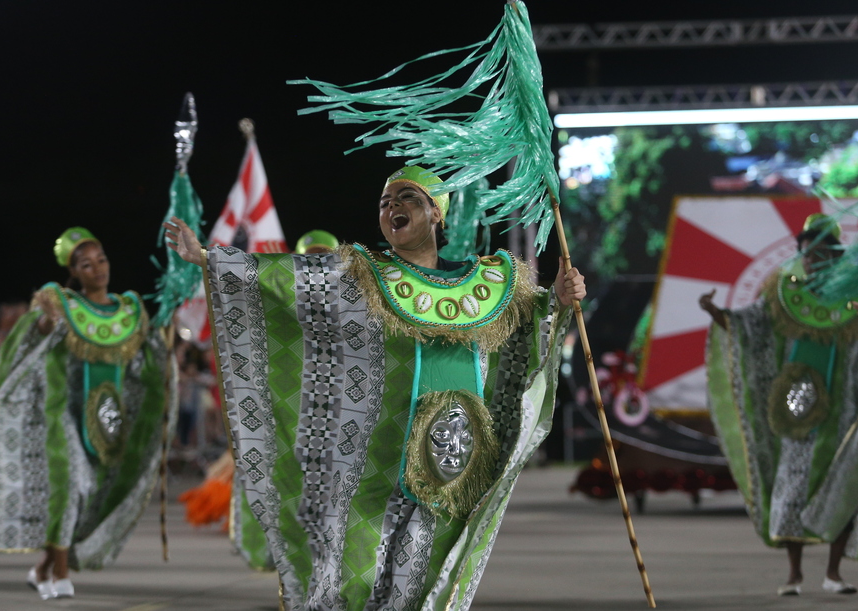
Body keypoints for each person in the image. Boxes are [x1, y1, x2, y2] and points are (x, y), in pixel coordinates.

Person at [164, 164, 586, 610]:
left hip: (454, 465)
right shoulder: (360, 279)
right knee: (351, 581)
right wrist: (210, 258)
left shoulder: (488, 285)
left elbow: (528, 326)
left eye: (407, 198)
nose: (392, 207)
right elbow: (288, 279)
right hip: (371, 463)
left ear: (437, 214)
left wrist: (558, 299)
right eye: (385, 202)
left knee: (422, 586)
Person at [0, 228, 177, 601]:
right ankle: (58, 572)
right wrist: (45, 320)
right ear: (74, 271)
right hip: (60, 415)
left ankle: (42, 567)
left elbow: (144, 362)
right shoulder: (60, 303)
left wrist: (161, 348)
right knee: (69, 485)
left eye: (101, 260)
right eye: (86, 264)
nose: (97, 269)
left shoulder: (127, 311)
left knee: (89, 494)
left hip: (108, 417)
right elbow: (33, 336)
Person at [701, 213, 858, 596]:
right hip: (796, 409)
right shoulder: (784, 294)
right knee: (791, 489)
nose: (816, 259)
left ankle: (833, 574)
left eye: (823, 252)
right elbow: (751, 328)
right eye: (810, 252)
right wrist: (716, 314)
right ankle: (794, 575)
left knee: (842, 489)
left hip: (844, 412)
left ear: (835, 255)